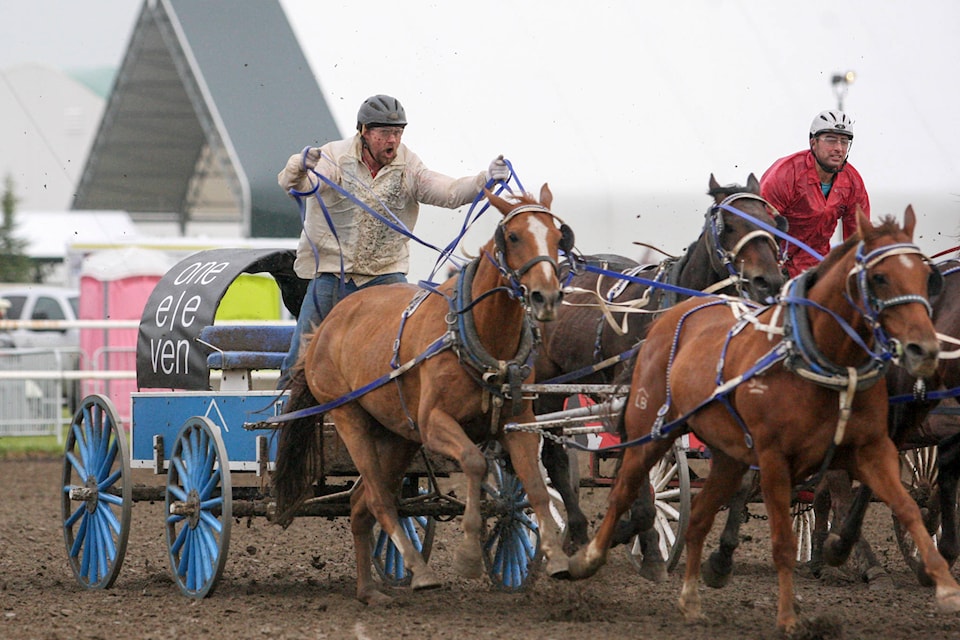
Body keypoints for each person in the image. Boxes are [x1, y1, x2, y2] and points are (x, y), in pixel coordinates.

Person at [276, 94, 509, 386]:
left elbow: (448, 192)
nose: (394, 140)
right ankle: (280, 422)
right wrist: (301, 165)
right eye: (386, 133)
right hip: (332, 278)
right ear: (364, 131)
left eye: (398, 132)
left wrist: (484, 179)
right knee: (300, 360)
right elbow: (299, 183)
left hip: (386, 279)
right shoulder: (333, 157)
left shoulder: (410, 166)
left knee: (398, 355)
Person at [760, 109, 870, 277]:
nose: (839, 148)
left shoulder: (853, 183)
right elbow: (760, 227)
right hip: (775, 270)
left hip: (818, 270)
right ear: (813, 143)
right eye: (831, 140)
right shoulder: (786, 173)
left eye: (844, 141)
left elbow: (858, 239)